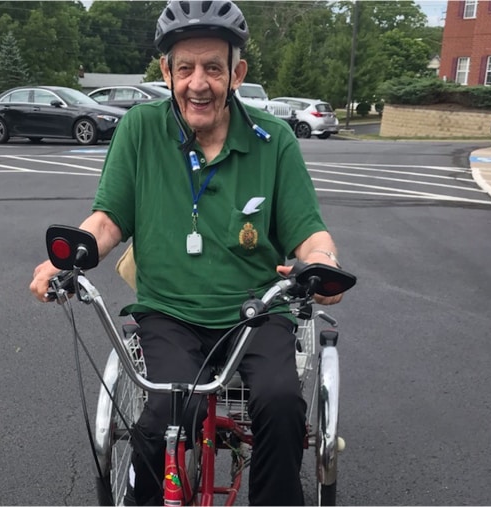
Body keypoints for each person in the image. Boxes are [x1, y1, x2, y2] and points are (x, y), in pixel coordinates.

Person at [30, 1, 345, 504]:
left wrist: (323, 263)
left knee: (283, 405)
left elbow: (308, 231)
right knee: (167, 412)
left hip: (256, 313)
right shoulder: (139, 130)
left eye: (213, 68)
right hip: (169, 311)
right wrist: (68, 261)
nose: (198, 83)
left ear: (237, 73)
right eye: (185, 68)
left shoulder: (275, 141)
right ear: (166, 72)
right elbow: (108, 218)